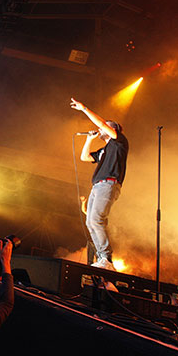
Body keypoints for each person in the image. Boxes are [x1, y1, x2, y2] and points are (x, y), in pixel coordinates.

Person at [70, 97, 129, 270]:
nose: (100, 129)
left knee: (96, 219)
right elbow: (84, 157)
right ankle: (102, 258)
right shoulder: (104, 150)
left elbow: (102, 124)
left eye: (105, 127)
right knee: (90, 222)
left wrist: (84, 108)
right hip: (97, 186)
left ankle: (106, 258)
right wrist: (89, 139)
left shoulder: (119, 142)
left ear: (113, 129)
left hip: (108, 184)